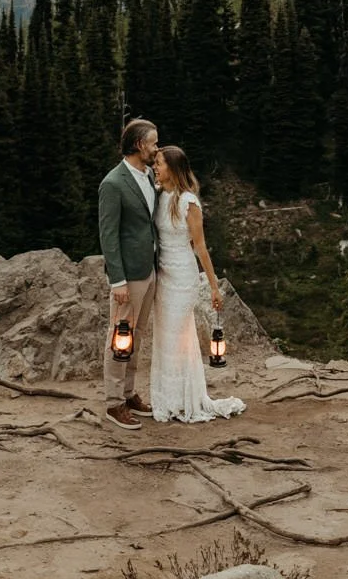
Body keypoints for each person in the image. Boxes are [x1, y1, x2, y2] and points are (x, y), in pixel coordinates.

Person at [146, 145, 246, 424]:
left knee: (179, 337)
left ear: (174, 169)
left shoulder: (188, 202)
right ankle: (166, 398)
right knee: (164, 336)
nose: (156, 167)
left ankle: (185, 398)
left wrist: (213, 287)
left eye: (160, 163)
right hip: (163, 275)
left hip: (182, 276)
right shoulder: (159, 194)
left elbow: (201, 247)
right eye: (155, 163)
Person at [98, 117, 161, 430]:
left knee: (137, 336)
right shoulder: (112, 183)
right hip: (129, 277)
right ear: (139, 145)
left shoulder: (148, 175)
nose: (156, 148)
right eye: (153, 143)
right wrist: (118, 280)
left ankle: (129, 391)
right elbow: (108, 235)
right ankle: (114, 403)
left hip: (149, 271)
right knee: (120, 338)